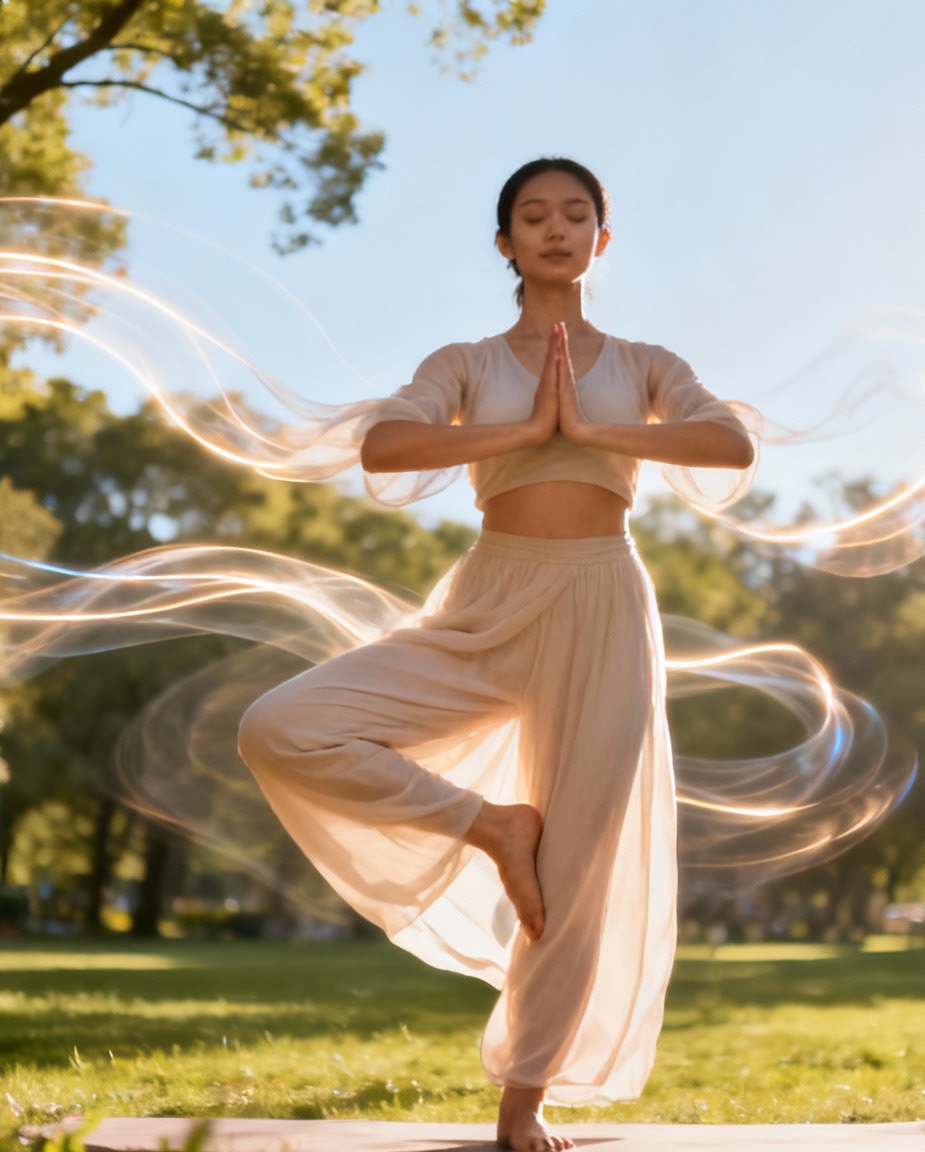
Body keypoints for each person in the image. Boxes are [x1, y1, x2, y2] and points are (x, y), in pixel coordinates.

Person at [235, 157, 756, 1152]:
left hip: (603, 598)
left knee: (582, 867)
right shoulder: (463, 363)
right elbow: (385, 447)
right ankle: (489, 825)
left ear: (601, 241)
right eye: (532, 214)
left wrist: (591, 425)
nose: (554, 228)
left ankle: (525, 1093)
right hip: (490, 598)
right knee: (283, 727)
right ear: (504, 243)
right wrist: (523, 428)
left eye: (575, 215)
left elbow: (727, 445)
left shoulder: (644, 362)